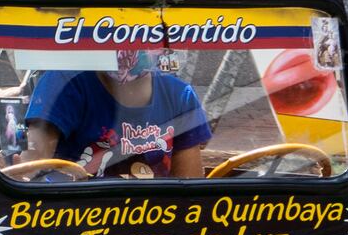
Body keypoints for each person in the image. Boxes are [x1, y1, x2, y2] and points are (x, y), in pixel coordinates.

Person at [22, 48, 212, 178]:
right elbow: (33, 169)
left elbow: (189, 190)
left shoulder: (179, 95)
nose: (127, 45)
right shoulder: (63, 83)